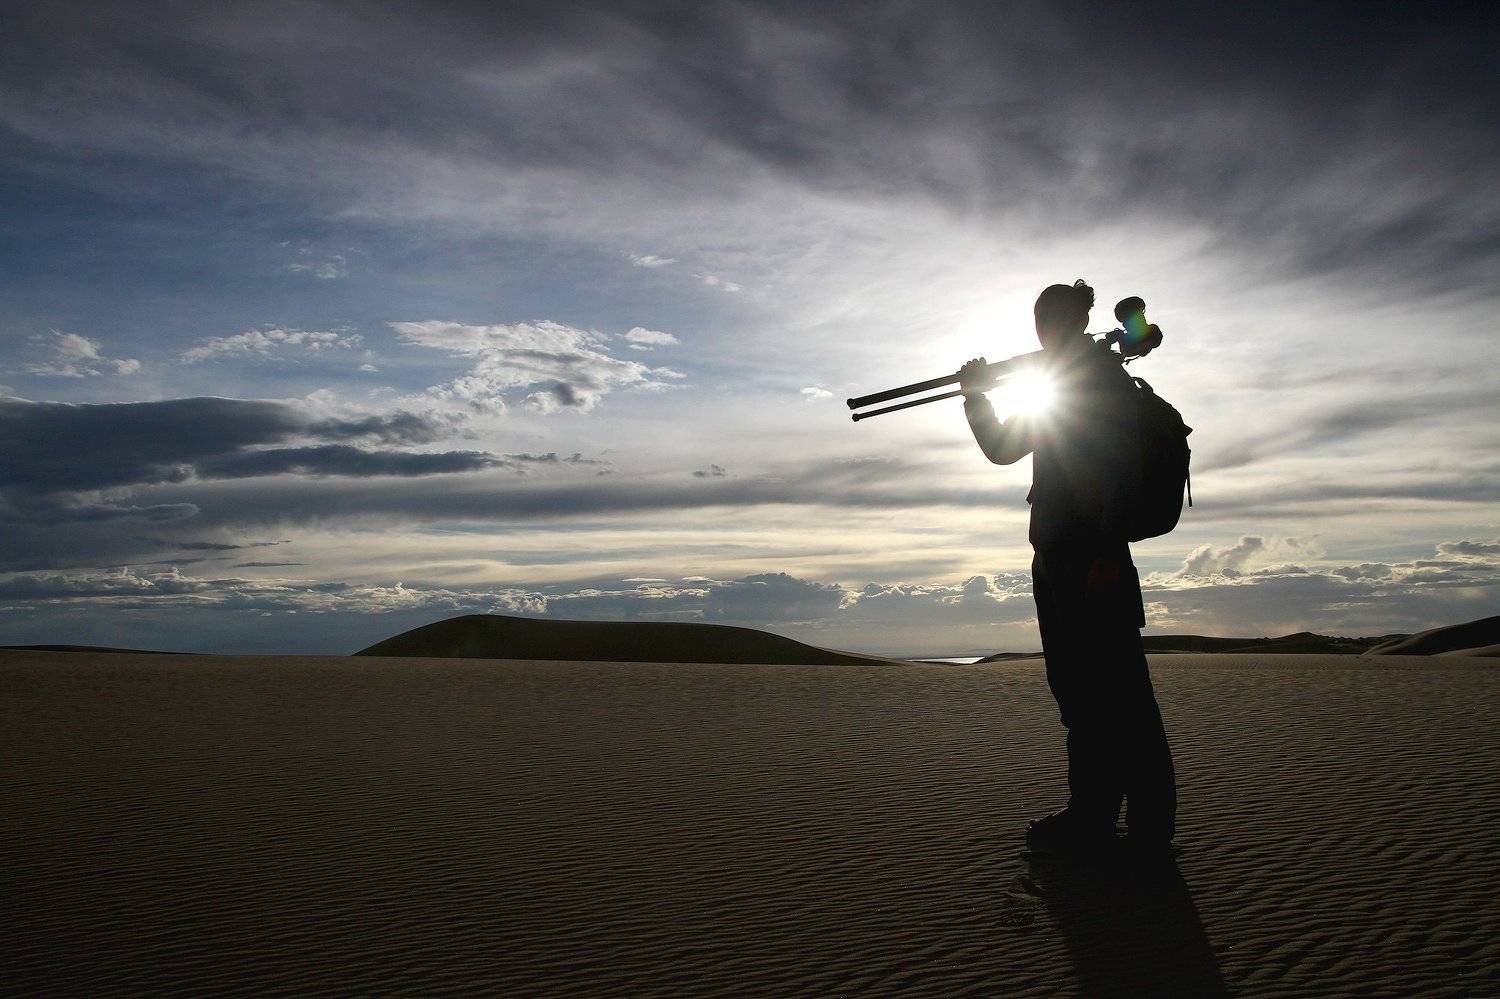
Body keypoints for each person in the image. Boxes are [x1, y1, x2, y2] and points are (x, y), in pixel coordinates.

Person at [959, 280, 1176, 859]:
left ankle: (1146, 831)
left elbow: (1115, 473)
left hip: (1091, 560)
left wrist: (1106, 554)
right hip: (1061, 559)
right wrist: (979, 394)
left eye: (1046, 320)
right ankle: (1095, 815)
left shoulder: (1090, 380)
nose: (1040, 329)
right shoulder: (1072, 374)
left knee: (1120, 696)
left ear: (1062, 322)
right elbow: (1010, 446)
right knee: (1082, 694)